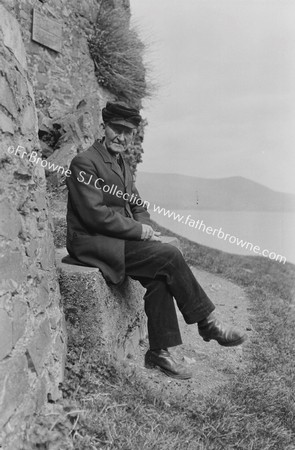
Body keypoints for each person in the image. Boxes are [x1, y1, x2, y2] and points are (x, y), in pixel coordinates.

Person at [66, 101, 247, 380]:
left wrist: (145, 227)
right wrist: (139, 232)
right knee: (169, 257)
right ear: (104, 127)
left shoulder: (122, 164)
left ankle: (158, 353)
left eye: (128, 132)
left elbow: (138, 205)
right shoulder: (84, 162)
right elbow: (94, 216)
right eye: (116, 129)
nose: (122, 137)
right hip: (92, 242)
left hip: (117, 239)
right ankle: (207, 323)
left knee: (160, 275)